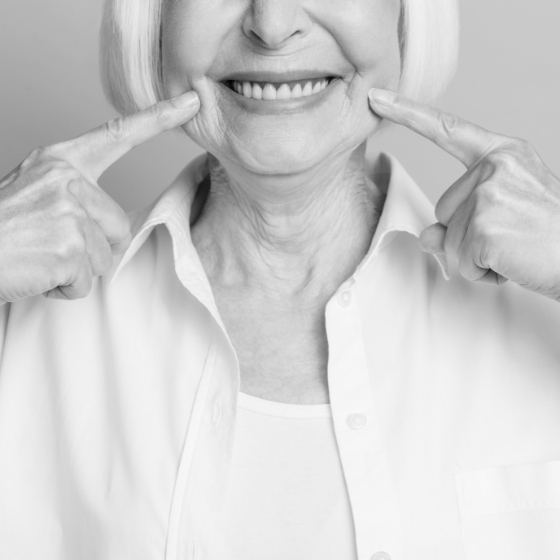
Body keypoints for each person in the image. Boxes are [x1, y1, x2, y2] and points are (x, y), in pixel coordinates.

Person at [1, 0, 560, 558]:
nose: (271, 25)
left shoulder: (546, 305)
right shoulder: (20, 322)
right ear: (154, 20)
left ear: (406, 16)